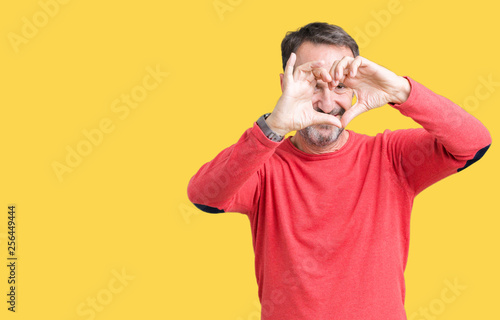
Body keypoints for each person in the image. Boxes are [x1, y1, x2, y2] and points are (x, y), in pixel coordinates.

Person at [187, 22, 491, 320]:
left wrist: (400, 90)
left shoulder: (391, 156)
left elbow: (473, 143)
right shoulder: (263, 164)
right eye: (313, 85)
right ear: (286, 86)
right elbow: (204, 196)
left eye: (341, 86)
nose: (328, 102)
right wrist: (274, 125)